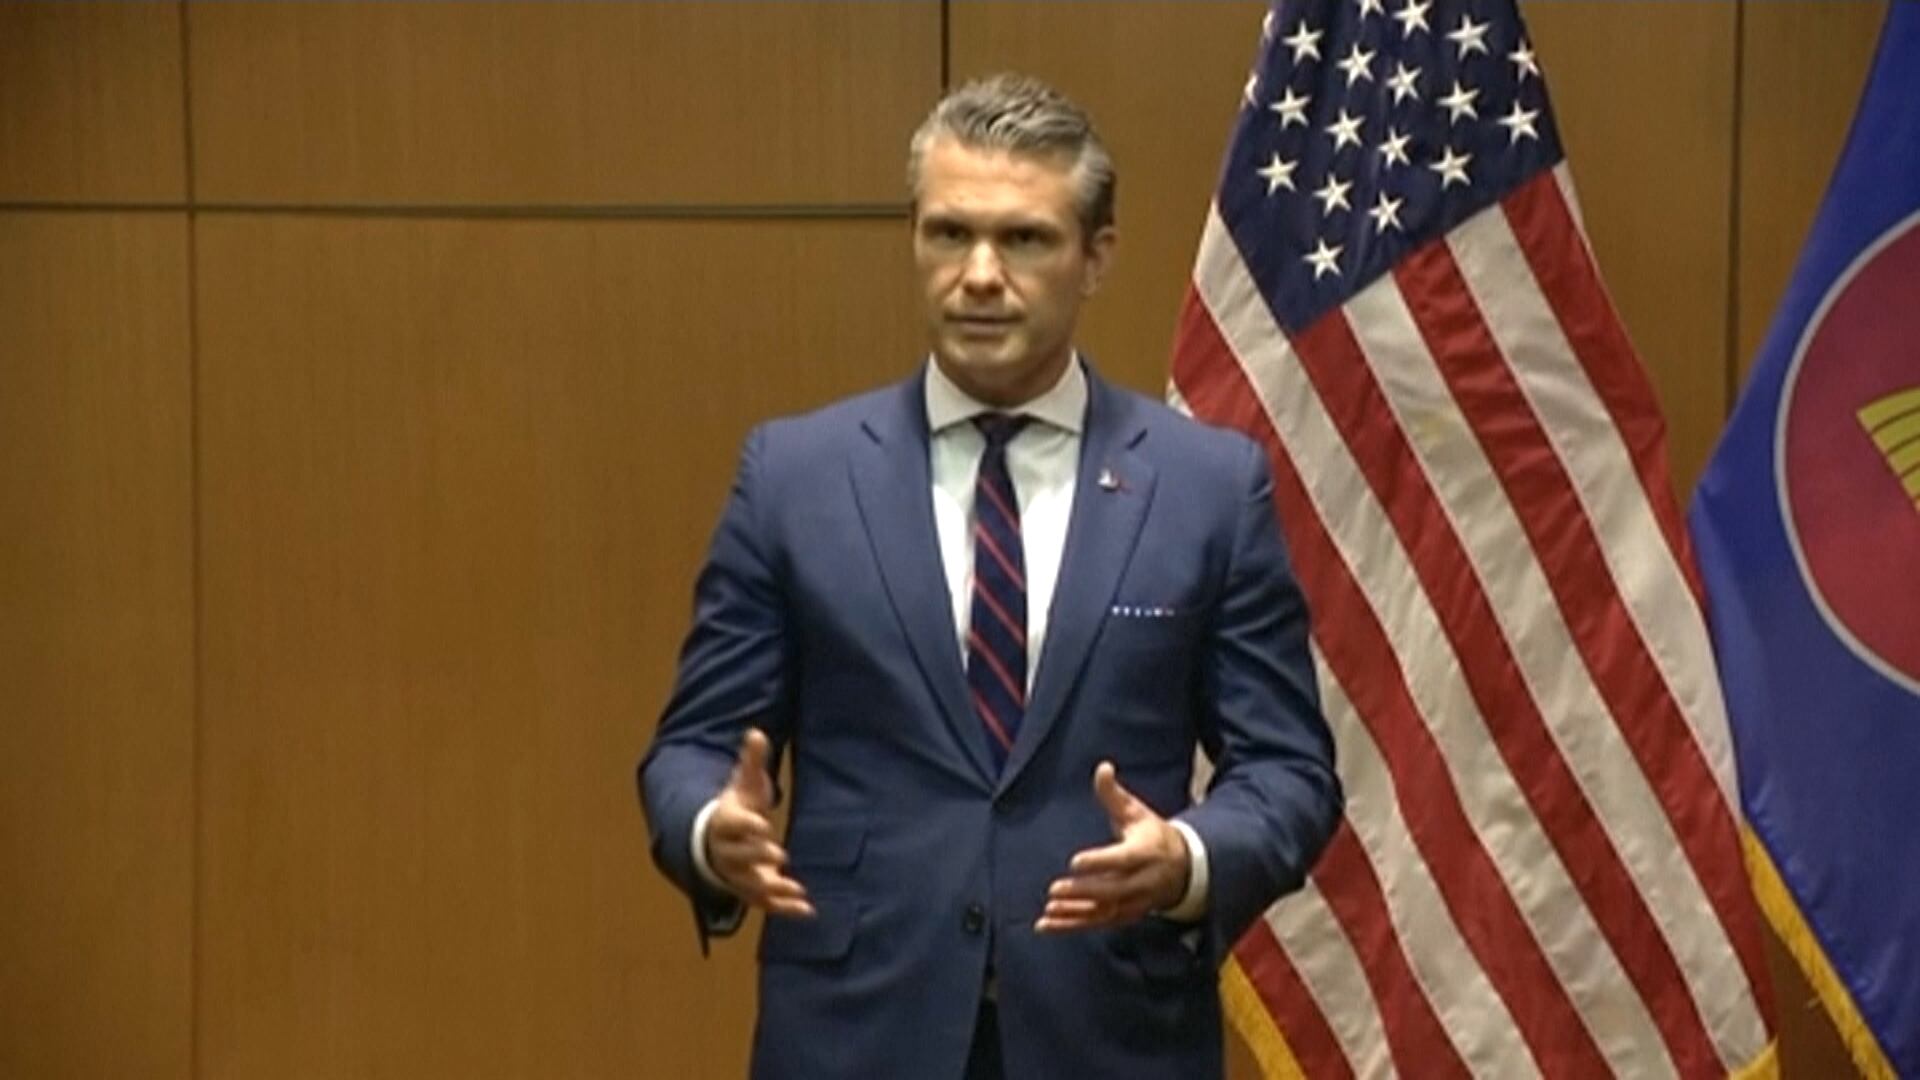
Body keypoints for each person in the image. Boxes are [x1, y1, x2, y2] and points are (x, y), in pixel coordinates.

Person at [638, 73, 1341, 1080]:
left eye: (1024, 239)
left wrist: (1188, 859)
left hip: (1113, 1031)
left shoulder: (1208, 488)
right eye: (949, 233)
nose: (978, 275)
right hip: (855, 1033)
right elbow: (694, 746)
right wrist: (713, 827)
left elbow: (1289, 771)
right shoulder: (793, 477)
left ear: (1096, 256)